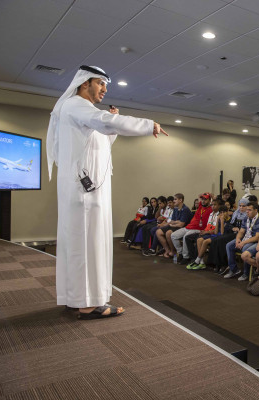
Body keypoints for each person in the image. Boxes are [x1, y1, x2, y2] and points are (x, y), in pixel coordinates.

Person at [46, 65, 167, 319]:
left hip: (87, 191)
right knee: (87, 246)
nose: (104, 89)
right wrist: (148, 125)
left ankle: (77, 298)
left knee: (81, 246)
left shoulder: (81, 111)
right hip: (85, 194)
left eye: (105, 85)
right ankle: (88, 305)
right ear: (85, 83)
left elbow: (98, 139)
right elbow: (105, 122)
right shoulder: (76, 105)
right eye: (100, 83)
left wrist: (112, 128)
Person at [224, 202, 259, 279]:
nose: (247, 211)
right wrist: (237, 240)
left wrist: (243, 242)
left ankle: (246, 273)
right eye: (247, 210)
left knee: (245, 248)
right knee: (229, 245)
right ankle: (234, 269)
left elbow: (257, 237)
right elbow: (241, 231)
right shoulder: (246, 218)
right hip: (245, 238)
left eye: (249, 210)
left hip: (254, 241)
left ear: (256, 210)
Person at [171, 193, 212, 264]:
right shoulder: (200, 206)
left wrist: (212, 198)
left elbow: (216, 204)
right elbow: (199, 196)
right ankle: (180, 253)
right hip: (188, 227)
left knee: (185, 236)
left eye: (205, 199)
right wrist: (203, 196)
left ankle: (186, 257)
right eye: (202, 199)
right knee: (173, 235)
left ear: (209, 200)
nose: (203, 201)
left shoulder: (211, 209)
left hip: (198, 229)